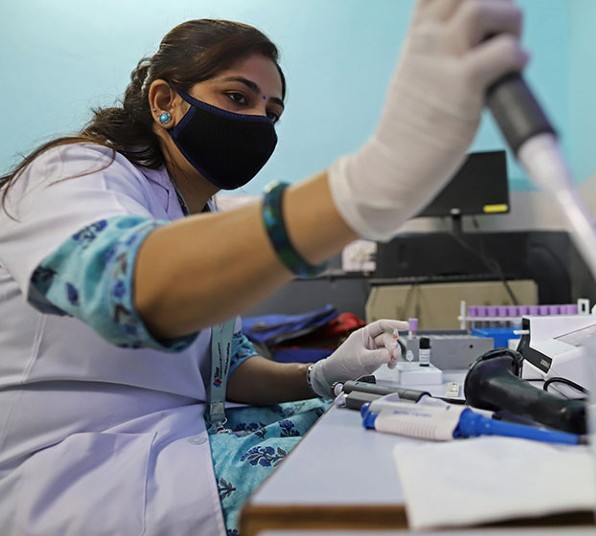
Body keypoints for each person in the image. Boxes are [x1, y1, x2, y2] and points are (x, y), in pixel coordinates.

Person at [0, 1, 527, 534]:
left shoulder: (198, 215)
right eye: (236, 97)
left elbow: (223, 374)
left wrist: (323, 374)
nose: (256, 122)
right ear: (163, 100)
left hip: (180, 440)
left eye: (271, 113)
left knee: (395, 425)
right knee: (396, 476)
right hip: (86, 472)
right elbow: (129, 290)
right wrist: (363, 187)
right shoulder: (76, 174)